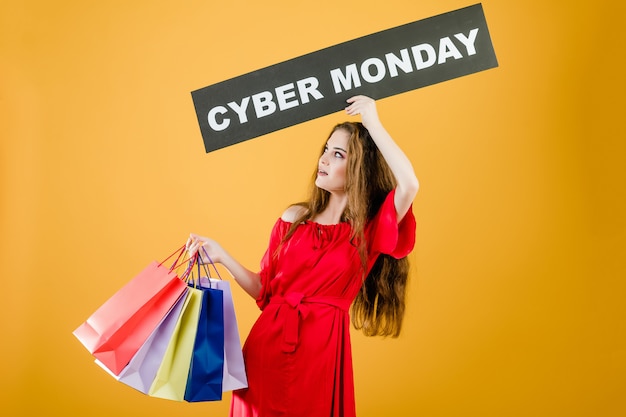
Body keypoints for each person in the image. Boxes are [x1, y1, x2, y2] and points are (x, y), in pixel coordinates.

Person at [187, 95, 419, 417]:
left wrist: (373, 123)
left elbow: (409, 184)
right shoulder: (293, 218)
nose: (324, 160)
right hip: (266, 348)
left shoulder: (368, 231)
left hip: (321, 355)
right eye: (326, 149)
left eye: (337, 154)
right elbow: (264, 289)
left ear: (357, 169)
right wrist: (221, 255)